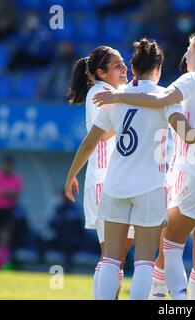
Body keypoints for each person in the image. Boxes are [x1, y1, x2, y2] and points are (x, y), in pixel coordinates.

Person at [67, 37, 195, 300]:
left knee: (110, 260)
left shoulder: (113, 98)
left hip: (116, 184)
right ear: (159, 69)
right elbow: (188, 134)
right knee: (144, 263)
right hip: (151, 187)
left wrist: (71, 175)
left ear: (133, 68)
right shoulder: (165, 97)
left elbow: (91, 141)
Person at [67, 45, 134, 299]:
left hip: (115, 180)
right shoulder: (101, 92)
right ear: (101, 72)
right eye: (117, 65)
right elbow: (100, 136)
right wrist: (71, 175)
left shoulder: (112, 92)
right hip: (104, 181)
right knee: (111, 257)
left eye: (124, 63)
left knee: (113, 257)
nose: (125, 68)